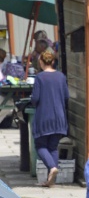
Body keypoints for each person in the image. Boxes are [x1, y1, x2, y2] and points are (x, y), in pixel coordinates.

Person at [31, 50, 69, 187]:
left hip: (44, 117)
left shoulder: (40, 77)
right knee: (53, 147)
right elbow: (66, 96)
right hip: (59, 117)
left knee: (40, 145)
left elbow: (35, 98)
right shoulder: (61, 76)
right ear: (53, 62)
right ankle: (51, 180)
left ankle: (52, 168)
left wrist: (33, 102)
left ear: (41, 62)